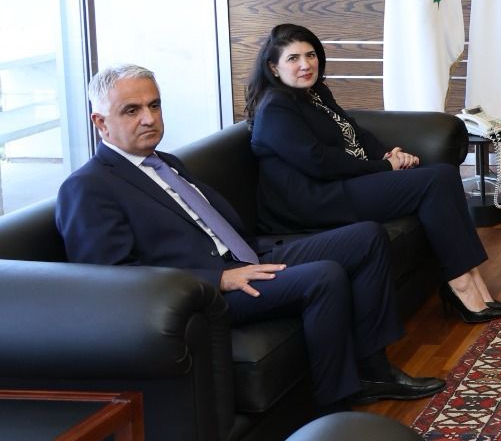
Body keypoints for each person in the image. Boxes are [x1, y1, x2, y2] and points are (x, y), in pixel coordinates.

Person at [55, 64, 443, 411]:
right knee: (323, 276)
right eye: (132, 110)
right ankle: (336, 405)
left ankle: (375, 370)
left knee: (366, 237)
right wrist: (218, 279)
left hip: (249, 255)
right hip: (205, 294)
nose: (149, 118)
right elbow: (114, 280)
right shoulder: (88, 188)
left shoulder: (165, 163)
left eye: (154, 105)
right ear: (100, 123)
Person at [246, 23, 501, 324]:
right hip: (313, 200)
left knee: (444, 175)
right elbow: (320, 162)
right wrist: (384, 167)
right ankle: (460, 285)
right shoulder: (275, 107)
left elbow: (355, 132)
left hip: (341, 183)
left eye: (311, 55)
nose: (306, 65)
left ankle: (471, 278)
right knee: (434, 182)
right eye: (293, 58)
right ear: (274, 68)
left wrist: (387, 153)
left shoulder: (315, 92)